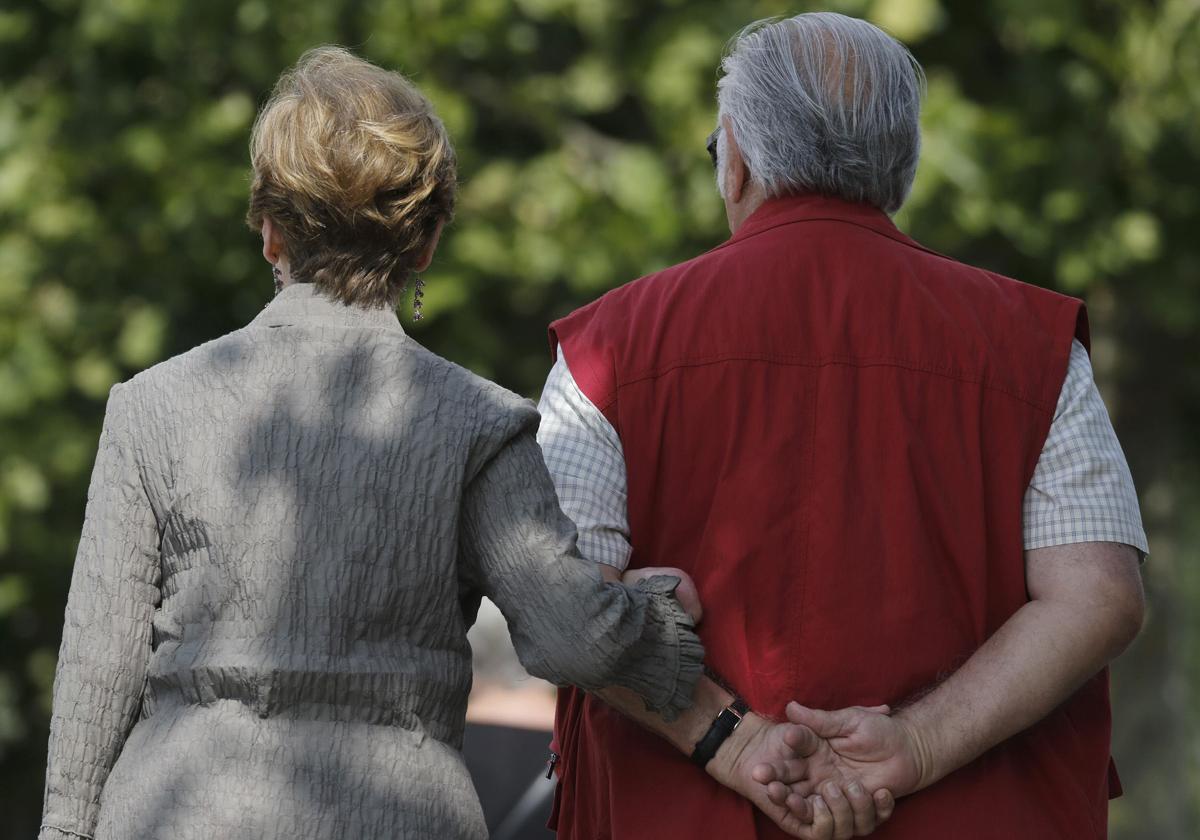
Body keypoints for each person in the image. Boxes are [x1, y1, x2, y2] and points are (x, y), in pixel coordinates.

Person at [37, 46, 787, 840]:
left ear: (269, 233)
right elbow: (574, 635)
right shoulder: (478, 422)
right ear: (425, 245)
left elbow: (98, 674)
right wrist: (656, 616)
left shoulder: (150, 407)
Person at [538, 13, 1147, 839]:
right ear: (899, 170)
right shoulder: (1032, 347)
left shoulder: (607, 347)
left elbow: (566, 606)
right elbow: (1099, 598)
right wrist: (918, 743)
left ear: (739, 159)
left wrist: (733, 738)